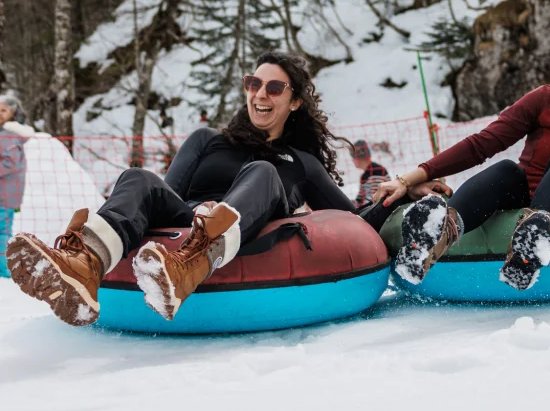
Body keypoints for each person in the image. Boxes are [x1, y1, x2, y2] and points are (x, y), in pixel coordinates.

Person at [8, 52, 439, 326]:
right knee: (138, 177)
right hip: (186, 223)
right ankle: (82, 267)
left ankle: (193, 264)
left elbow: (353, 223)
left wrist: (404, 189)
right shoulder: (206, 141)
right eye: (254, 84)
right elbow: (165, 198)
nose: (260, 94)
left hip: (245, 234)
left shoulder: (299, 163)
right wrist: (188, 213)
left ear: (294, 102)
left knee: (263, 171)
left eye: (274, 87)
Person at [374, 20, 550, 291]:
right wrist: (408, 180)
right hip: (525, 192)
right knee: (506, 171)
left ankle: (535, 235)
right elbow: (481, 144)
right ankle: (433, 236)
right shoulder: (549, 100)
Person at [0, 93, 28, 277]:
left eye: (3, 110)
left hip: (5, 195)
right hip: (5, 193)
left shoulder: (9, 136)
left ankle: (3, 272)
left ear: (14, 113)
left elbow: (9, 163)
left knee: (2, 232)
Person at [351, 140, 388, 207]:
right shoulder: (365, 175)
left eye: (352, 156)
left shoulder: (377, 171)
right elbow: (359, 199)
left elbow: (372, 202)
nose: (352, 160)